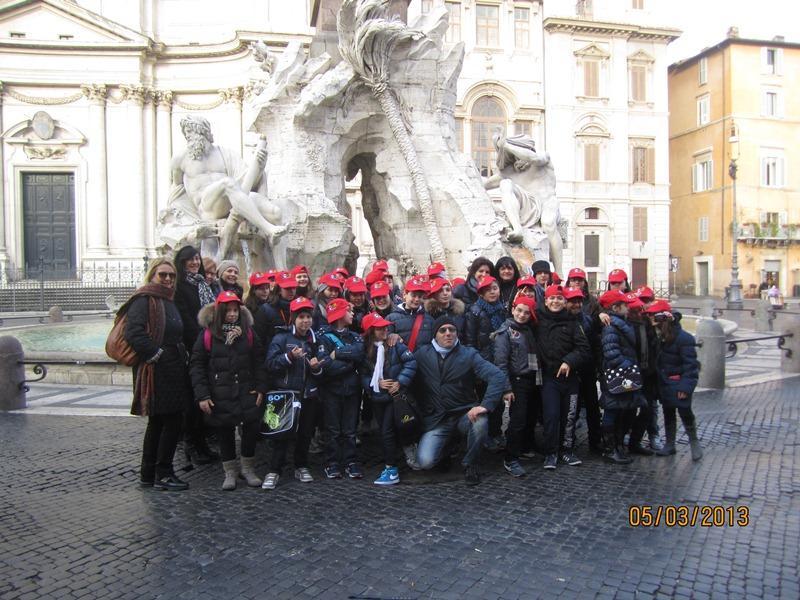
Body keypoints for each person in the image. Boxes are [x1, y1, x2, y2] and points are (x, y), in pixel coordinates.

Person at [168, 114, 284, 257]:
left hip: (233, 200)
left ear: (203, 132)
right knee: (227, 183)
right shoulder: (180, 158)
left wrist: (260, 166)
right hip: (207, 208)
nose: (188, 137)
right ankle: (268, 229)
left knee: (275, 212)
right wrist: (183, 221)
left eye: (191, 132)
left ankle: (283, 272)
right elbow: (177, 191)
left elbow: (246, 182)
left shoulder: (225, 154)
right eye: (186, 134)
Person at [413, 315, 510, 485]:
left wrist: (485, 405)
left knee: (480, 422)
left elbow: (497, 376)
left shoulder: (469, 354)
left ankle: (471, 463)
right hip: (437, 419)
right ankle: (447, 450)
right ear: (435, 334)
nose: (448, 333)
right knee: (426, 462)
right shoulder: (422, 354)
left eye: (452, 330)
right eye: (443, 330)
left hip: (464, 414)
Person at [124, 258, 191, 491]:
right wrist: (157, 354)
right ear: (152, 275)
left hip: (172, 367)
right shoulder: (144, 299)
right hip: (159, 369)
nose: (168, 279)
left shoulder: (166, 299)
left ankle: (149, 473)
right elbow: (133, 332)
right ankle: (162, 472)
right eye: (163, 274)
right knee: (168, 422)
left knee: (161, 422)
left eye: (171, 275)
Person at [190, 291, 266, 490]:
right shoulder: (208, 335)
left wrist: (260, 387)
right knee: (225, 431)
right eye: (228, 311)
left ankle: (248, 468)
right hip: (219, 391)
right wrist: (203, 395)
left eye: (235, 310)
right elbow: (197, 365)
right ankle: (229, 471)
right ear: (219, 312)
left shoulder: (248, 332)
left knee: (250, 429)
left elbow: (259, 360)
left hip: (246, 389)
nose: (232, 314)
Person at [262, 297, 324, 489]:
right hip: (286, 393)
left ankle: (301, 465)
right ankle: (274, 470)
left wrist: (316, 368)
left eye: (308, 317)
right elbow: (270, 364)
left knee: (305, 434)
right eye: (301, 317)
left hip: (308, 394)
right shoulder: (281, 338)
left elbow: (321, 370)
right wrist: (289, 357)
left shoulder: (315, 340)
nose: (305, 321)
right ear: (293, 319)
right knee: (281, 436)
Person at [534, 284, 591, 469]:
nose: (556, 301)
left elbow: (584, 349)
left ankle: (567, 450)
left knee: (569, 416)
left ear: (564, 301)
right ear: (546, 300)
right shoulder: (538, 320)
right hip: (549, 378)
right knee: (551, 416)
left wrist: (569, 361)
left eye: (559, 298)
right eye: (552, 298)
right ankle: (550, 452)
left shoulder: (573, 322)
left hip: (570, 378)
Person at [173, 245, 218, 467]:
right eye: (190, 259)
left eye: (196, 258)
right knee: (193, 400)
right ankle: (192, 444)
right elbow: (184, 318)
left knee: (203, 396)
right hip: (193, 347)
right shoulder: (179, 286)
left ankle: (202, 444)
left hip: (206, 343)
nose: (194, 262)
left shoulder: (202, 283)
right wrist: (200, 340)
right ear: (181, 262)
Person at [360, 312, 417, 485]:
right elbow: (363, 374)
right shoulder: (365, 350)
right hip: (378, 397)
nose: (385, 330)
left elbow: (411, 363)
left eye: (385, 326)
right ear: (370, 331)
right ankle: (393, 463)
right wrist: (374, 382)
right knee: (386, 431)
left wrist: (399, 382)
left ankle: (391, 468)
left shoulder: (395, 345)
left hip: (394, 397)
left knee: (387, 431)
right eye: (379, 328)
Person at [645, 300, 702, 460]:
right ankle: (670, 444)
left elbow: (691, 366)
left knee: (685, 413)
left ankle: (694, 441)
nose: (652, 323)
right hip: (664, 383)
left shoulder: (684, 338)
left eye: (654, 319)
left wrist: (685, 387)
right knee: (668, 412)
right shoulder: (659, 336)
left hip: (678, 383)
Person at [316, 298, 366, 479]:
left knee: (350, 429)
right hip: (332, 390)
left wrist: (338, 354)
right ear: (339, 314)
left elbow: (360, 353)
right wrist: (350, 365)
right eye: (349, 310)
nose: (353, 314)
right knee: (333, 429)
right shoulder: (323, 336)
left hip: (352, 390)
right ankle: (333, 462)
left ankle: (351, 460)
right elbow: (326, 364)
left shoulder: (354, 336)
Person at [492, 295, 539, 477]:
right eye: (519, 310)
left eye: (526, 312)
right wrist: (507, 388)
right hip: (516, 381)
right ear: (513, 309)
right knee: (517, 421)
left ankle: (522, 448)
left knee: (528, 418)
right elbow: (501, 362)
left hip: (531, 378)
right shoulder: (506, 332)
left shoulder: (528, 330)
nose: (522, 314)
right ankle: (510, 458)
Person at [598, 290, 645, 465]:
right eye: (625, 305)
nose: (628, 308)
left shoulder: (619, 323)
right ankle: (610, 448)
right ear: (616, 307)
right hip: (617, 376)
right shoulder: (611, 326)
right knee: (612, 411)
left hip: (622, 375)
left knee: (620, 411)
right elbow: (611, 353)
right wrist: (630, 367)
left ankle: (617, 446)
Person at [465, 275, 509, 451]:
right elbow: (470, 340)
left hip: (498, 360)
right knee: (485, 400)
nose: (492, 292)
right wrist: (476, 365)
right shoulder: (474, 311)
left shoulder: (502, 309)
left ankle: (496, 432)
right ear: (481, 293)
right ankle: (486, 437)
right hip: (482, 362)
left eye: (495, 288)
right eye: (488, 289)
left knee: (498, 403)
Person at [564, 285, 603, 455]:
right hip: (570, 372)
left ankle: (595, 442)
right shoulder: (562, 320)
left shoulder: (587, 320)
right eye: (572, 301)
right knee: (571, 411)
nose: (576, 304)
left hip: (587, 370)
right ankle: (567, 444)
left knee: (593, 409)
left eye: (579, 301)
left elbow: (595, 345)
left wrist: (596, 367)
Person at [626, 292, 661, 456]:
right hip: (633, 372)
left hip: (647, 374)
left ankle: (635, 441)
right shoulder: (626, 325)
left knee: (646, 410)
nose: (639, 311)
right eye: (635, 309)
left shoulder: (647, 324)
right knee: (630, 409)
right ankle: (627, 441)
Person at [386, 276, 434, 351]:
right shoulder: (391, 318)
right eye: (414, 295)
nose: (417, 299)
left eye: (420, 296)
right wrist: (390, 336)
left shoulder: (429, 320)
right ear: (405, 294)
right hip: (402, 361)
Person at [254, 270, 297, 347]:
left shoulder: (299, 307)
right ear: (279, 290)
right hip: (272, 354)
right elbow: (258, 339)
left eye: (294, 287)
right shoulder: (266, 310)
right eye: (287, 288)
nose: (292, 291)